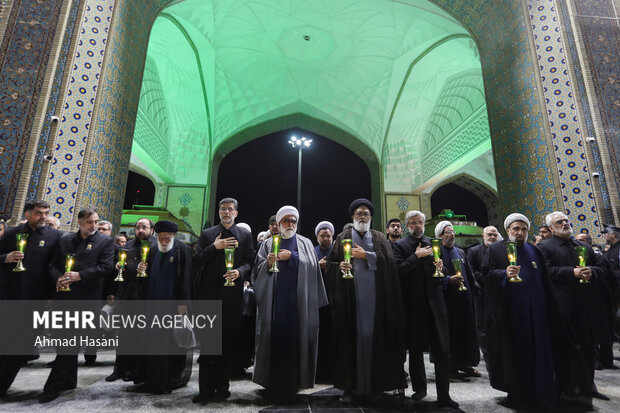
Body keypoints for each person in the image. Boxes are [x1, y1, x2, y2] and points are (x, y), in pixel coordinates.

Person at [483, 213, 591, 407]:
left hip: (537, 315)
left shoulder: (534, 251)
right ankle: (517, 394)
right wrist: (503, 274)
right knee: (516, 355)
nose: (520, 233)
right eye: (516, 229)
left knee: (538, 354)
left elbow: (545, 282)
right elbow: (486, 275)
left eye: (524, 229)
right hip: (512, 316)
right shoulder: (495, 250)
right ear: (507, 230)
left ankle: (539, 390)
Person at [326, 199, 405, 404]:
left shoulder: (380, 237)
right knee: (350, 341)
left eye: (366, 214)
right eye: (359, 213)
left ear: (371, 217)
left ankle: (374, 386)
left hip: (376, 302)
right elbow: (331, 263)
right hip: (350, 301)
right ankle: (349, 388)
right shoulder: (342, 237)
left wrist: (367, 255)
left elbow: (390, 264)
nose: (362, 216)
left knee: (375, 340)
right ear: (352, 217)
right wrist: (339, 267)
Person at [253, 206, 328, 402]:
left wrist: (292, 257)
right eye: (286, 220)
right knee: (274, 341)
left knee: (297, 340)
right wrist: (268, 264)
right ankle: (273, 382)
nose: (290, 224)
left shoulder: (305, 243)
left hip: (299, 303)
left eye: (293, 221)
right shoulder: (268, 244)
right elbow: (257, 270)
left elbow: (313, 268)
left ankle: (295, 381)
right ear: (278, 224)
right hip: (275, 303)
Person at [40, 208, 114, 403]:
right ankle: (69, 381)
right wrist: (59, 279)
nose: (94, 226)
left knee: (70, 343)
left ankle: (52, 386)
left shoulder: (105, 242)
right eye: (90, 222)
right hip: (63, 298)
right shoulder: (65, 240)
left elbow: (105, 267)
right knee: (61, 340)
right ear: (80, 222)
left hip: (86, 300)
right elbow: (52, 265)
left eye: (96, 222)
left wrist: (79, 276)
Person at [538, 211, 610, 401]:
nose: (565, 223)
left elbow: (603, 268)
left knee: (588, 349)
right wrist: (573, 273)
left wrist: (591, 271)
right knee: (565, 351)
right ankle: (565, 392)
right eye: (559, 222)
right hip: (562, 309)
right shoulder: (544, 247)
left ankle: (587, 388)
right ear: (552, 228)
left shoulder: (583, 246)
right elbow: (547, 272)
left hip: (586, 308)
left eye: (566, 220)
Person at [192, 198, 255, 403]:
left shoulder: (244, 235)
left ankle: (223, 387)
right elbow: (198, 259)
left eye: (230, 209)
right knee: (209, 345)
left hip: (232, 297)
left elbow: (250, 262)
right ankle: (205, 391)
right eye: (222, 209)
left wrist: (239, 272)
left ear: (236, 213)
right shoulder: (208, 234)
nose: (226, 212)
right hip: (209, 295)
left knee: (227, 344)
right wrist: (215, 246)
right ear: (218, 212)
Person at [392, 210, 457, 408]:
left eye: (420, 222)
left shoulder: (433, 243)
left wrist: (442, 267)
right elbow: (397, 273)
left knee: (442, 350)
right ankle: (419, 389)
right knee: (415, 350)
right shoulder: (400, 246)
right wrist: (415, 256)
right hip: (413, 307)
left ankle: (444, 395)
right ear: (407, 226)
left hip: (436, 305)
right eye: (413, 223)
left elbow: (444, 272)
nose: (417, 226)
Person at [0, 200, 63, 397]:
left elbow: (54, 267)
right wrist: (5, 258)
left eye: (46, 213)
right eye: (39, 213)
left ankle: (2, 385)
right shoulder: (11, 234)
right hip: (10, 296)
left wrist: (53, 295)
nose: (43, 217)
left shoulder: (55, 237)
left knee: (21, 346)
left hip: (36, 299)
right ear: (27, 214)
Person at [132, 220, 192, 395]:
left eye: (167, 238)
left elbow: (187, 280)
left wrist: (183, 306)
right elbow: (146, 279)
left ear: (173, 236)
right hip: (152, 306)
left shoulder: (182, 251)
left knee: (169, 347)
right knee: (151, 344)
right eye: (160, 238)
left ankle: (166, 382)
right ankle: (152, 380)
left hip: (172, 308)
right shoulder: (152, 250)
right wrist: (141, 271)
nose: (163, 242)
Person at [105, 218, 155, 382]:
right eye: (138, 227)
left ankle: (134, 370)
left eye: (144, 227)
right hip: (125, 295)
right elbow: (118, 269)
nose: (141, 230)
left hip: (144, 297)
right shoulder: (127, 246)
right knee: (123, 334)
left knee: (138, 336)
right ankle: (119, 369)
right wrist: (118, 268)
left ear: (151, 230)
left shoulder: (155, 247)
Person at [435, 221, 480, 380]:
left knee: (466, 330)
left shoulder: (460, 252)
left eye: (453, 231)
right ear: (440, 236)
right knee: (451, 331)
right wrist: (448, 280)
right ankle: (451, 365)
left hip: (464, 297)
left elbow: (468, 272)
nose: (452, 234)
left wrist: (474, 288)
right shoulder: (437, 251)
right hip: (448, 298)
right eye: (448, 232)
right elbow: (435, 275)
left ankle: (465, 363)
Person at [467, 225, 500, 362]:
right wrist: (488, 277)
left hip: (498, 293)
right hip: (482, 293)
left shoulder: (501, 250)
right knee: (483, 324)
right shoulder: (474, 251)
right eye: (489, 235)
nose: (492, 237)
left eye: (494, 234)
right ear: (483, 236)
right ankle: (487, 353)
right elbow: (471, 272)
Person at [313, 220, 334, 383]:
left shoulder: (339, 251)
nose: (325, 238)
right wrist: (316, 266)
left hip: (335, 300)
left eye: (328, 235)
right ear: (317, 237)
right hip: (317, 302)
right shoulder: (312, 252)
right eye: (322, 235)